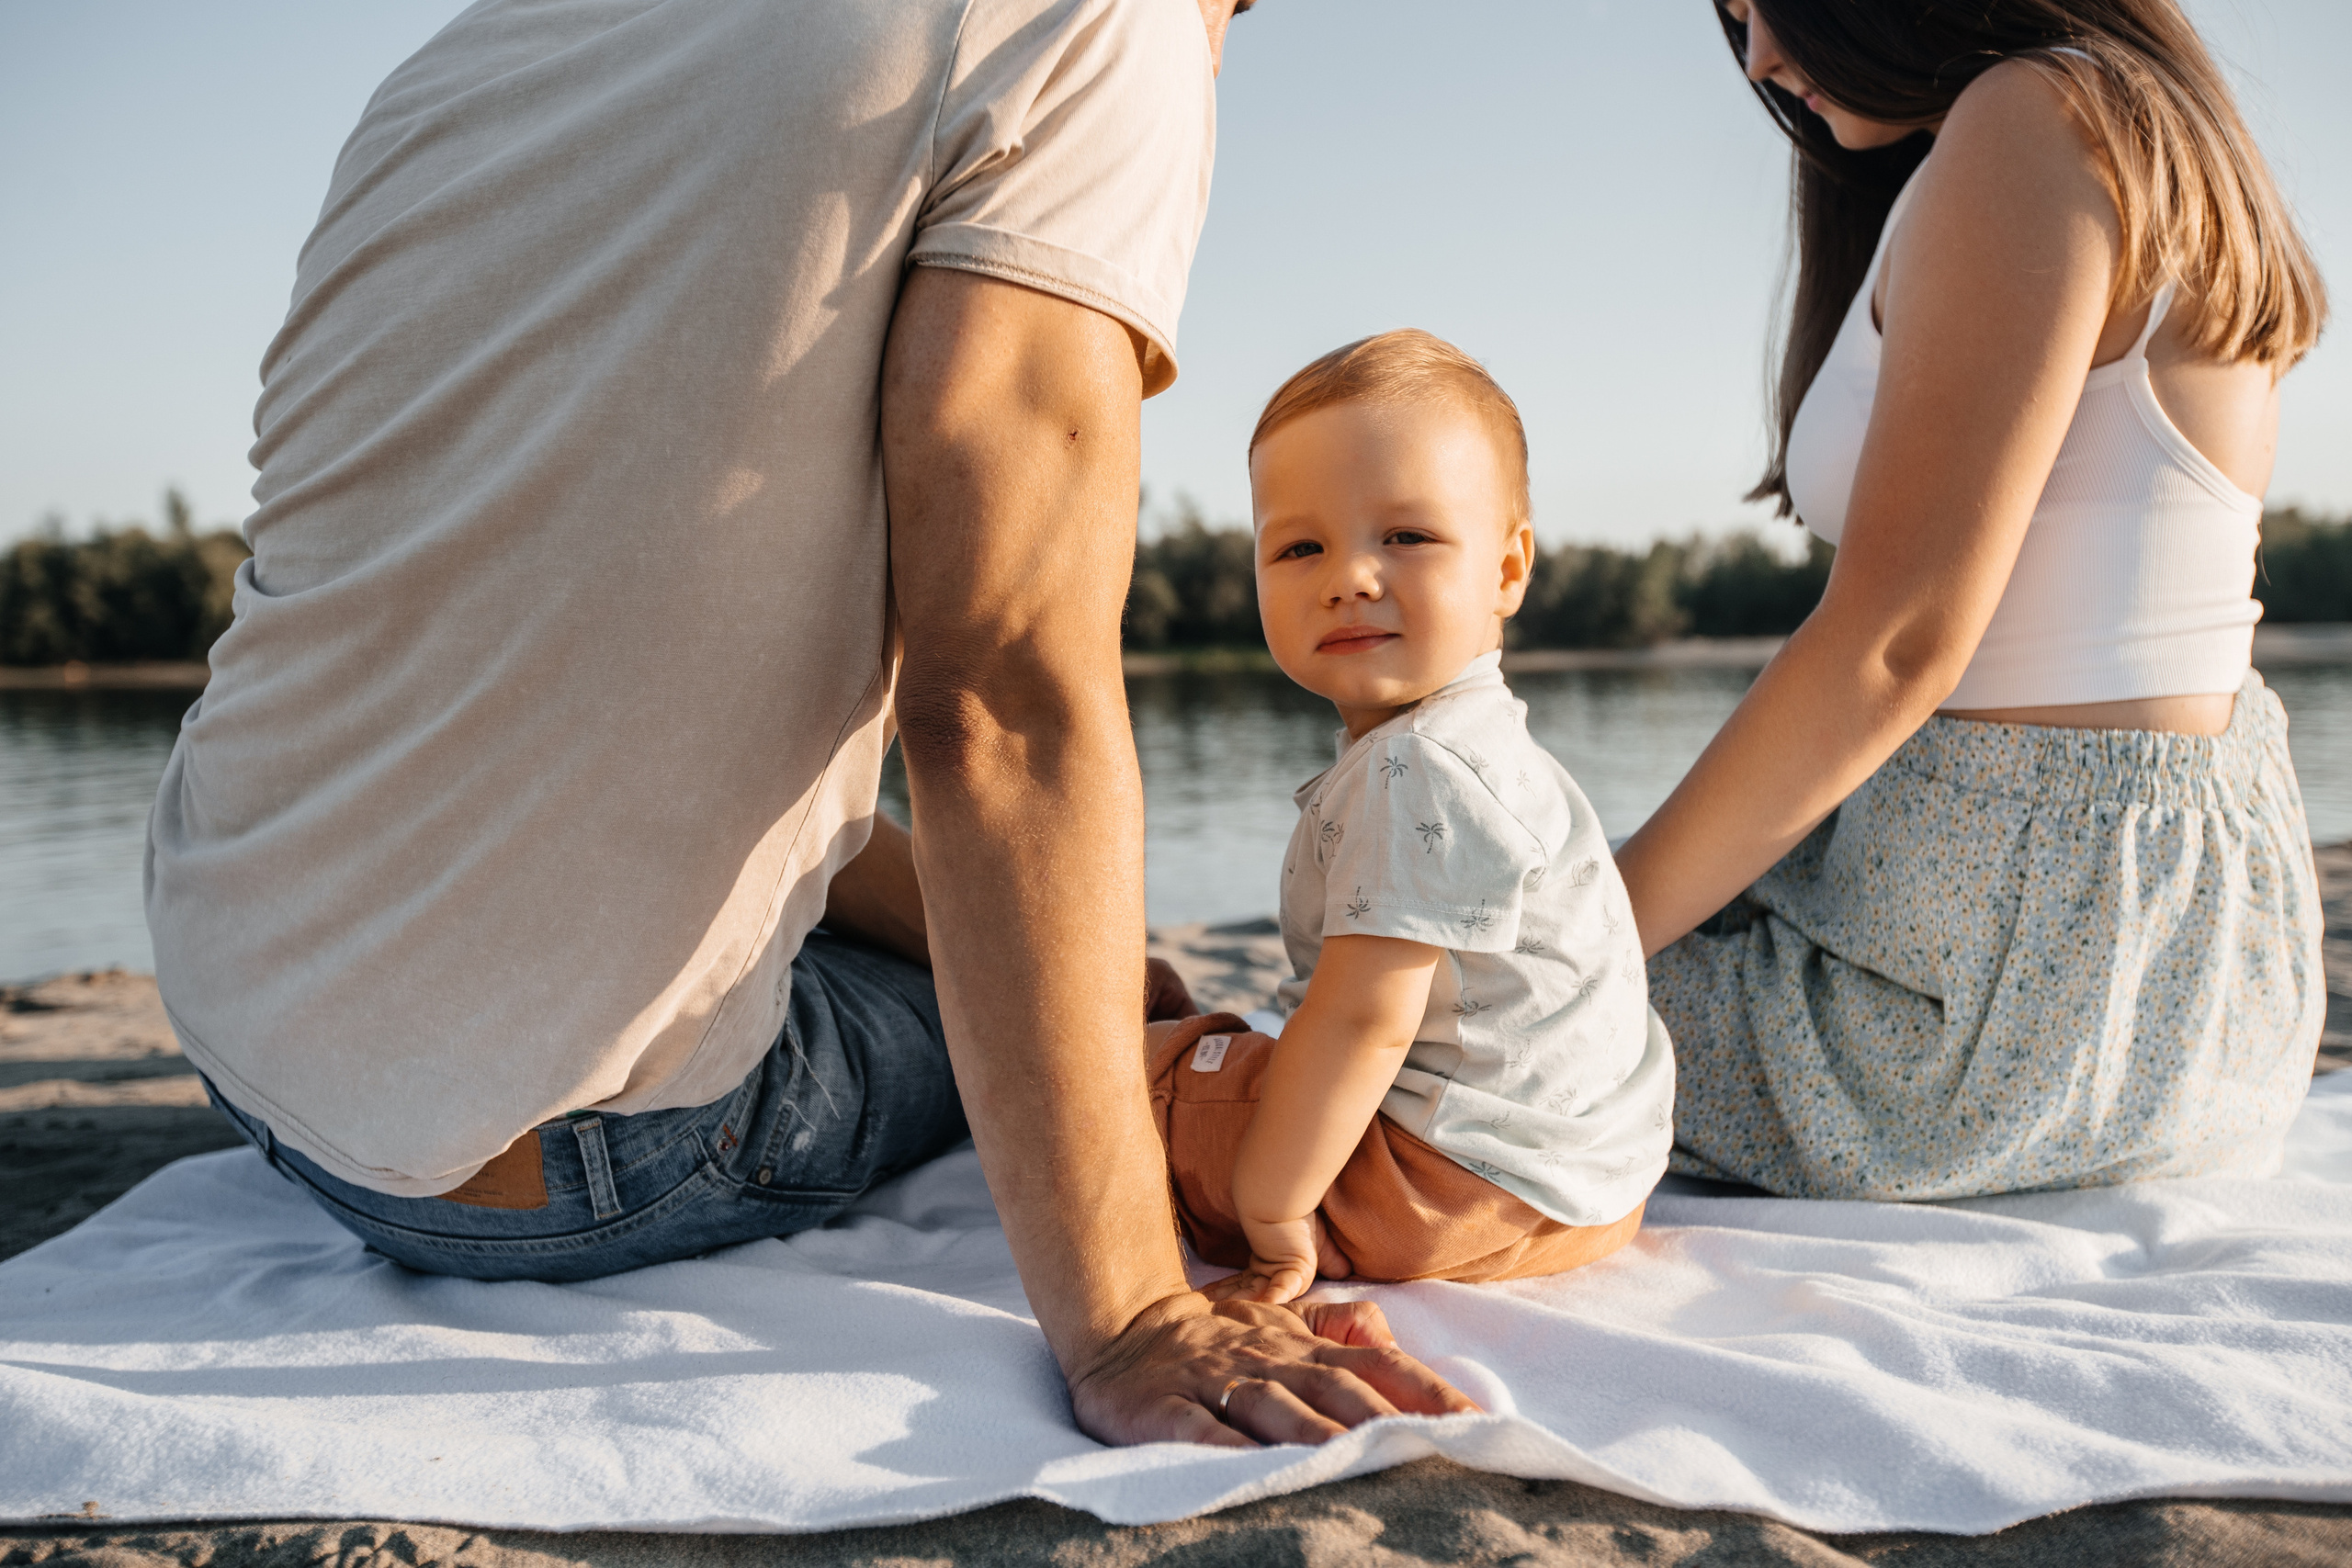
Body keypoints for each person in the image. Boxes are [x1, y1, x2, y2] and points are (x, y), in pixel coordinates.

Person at [145, 0, 1474, 1448]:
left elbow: (584, 690)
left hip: (233, 1000)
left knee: (1086, 973)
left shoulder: (502, 36)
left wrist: (1083, 958)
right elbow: (1005, 693)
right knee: (1111, 1039)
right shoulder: (1102, 22)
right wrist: (1133, 1315)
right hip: (526, 1159)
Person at [1614, 0, 2331, 1200]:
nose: (1762, 60)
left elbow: (1897, 643)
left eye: (1767, 4)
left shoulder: (2034, 118)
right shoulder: (2114, 122)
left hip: (1999, 1013)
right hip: (2173, 986)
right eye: (1733, 22)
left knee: (1408, 966)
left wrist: (1573, 947)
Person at [1148, 331, 1671, 1303]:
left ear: (1507, 569)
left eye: (1407, 537)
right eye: (1300, 547)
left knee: (1120, 1084)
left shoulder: (1414, 766)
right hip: (1589, 1188)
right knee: (1210, 1047)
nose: (1348, 575)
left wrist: (1275, 1213)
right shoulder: (1491, 746)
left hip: (1438, 1185)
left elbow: (1363, 1022)